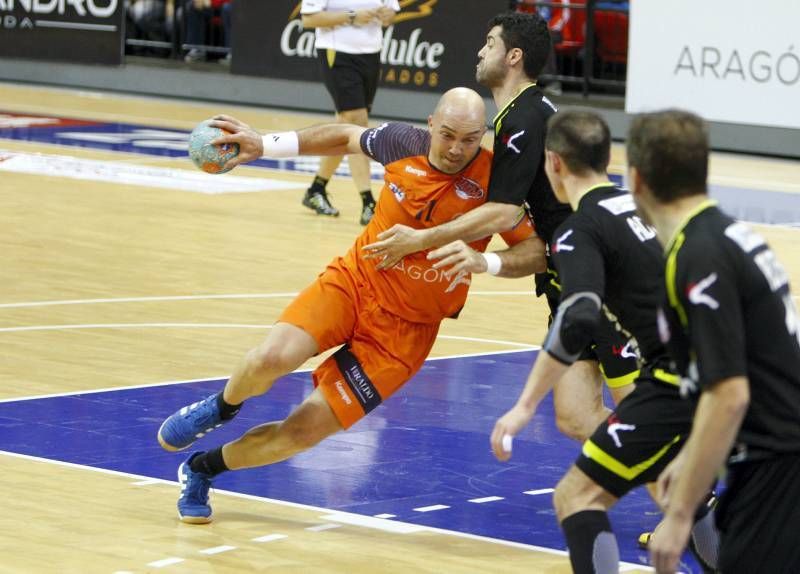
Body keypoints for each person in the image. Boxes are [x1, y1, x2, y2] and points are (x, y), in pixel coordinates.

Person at [156, 88, 543, 523]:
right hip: (355, 284)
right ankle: (221, 408)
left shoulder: (496, 184)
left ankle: (202, 469)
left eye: (469, 139)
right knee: (271, 357)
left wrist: (484, 261)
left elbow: (535, 251)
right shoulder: (402, 142)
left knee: (300, 433)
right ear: (431, 124)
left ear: (483, 135)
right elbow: (344, 136)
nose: (456, 149)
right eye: (447, 134)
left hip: (403, 336)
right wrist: (265, 144)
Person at [365, 11, 637, 443]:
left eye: (489, 43)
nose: (480, 50)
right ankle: (683, 474)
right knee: (574, 416)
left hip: (598, 275)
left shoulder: (524, 118)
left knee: (638, 408)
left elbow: (504, 212)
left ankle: (701, 485)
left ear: (513, 56)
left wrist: (424, 238)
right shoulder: (520, 114)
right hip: (564, 277)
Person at [484, 110, 718, 574]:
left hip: (675, 379)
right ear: (609, 158)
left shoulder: (579, 230)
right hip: (718, 363)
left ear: (552, 162)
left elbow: (577, 316)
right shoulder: (640, 204)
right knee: (672, 485)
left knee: (576, 495)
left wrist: (525, 406)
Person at [627, 109, 800, 573]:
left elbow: (729, 394)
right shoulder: (721, 234)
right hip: (769, 462)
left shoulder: (697, 255)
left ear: (636, 179)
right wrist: (691, 461)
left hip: (778, 468)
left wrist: (680, 512)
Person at [299, 0, 399, 225]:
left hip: (371, 54)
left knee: (345, 127)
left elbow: (392, 13)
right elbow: (309, 18)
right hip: (337, 53)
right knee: (357, 124)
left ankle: (316, 188)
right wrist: (352, 16)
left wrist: (386, 15)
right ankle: (368, 203)